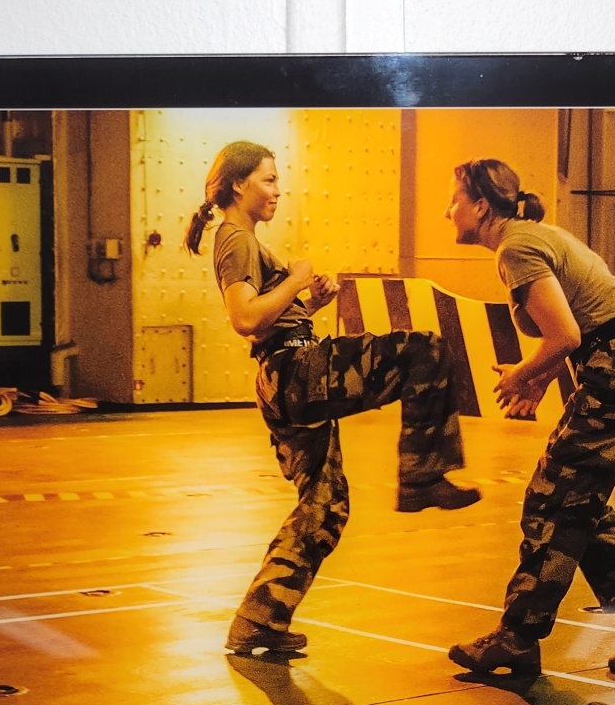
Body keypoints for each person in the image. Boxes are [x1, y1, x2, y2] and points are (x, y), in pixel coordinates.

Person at [184, 142, 479, 659]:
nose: (278, 190)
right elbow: (245, 318)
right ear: (238, 185)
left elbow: (268, 322)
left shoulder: (242, 240)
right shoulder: (236, 240)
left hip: (286, 375)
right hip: (296, 373)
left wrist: (309, 302)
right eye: (268, 180)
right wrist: (297, 279)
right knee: (426, 350)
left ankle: (258, 619)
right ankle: (421, 478)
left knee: (325, 507)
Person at [443, 159, 615, 677]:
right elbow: (578, 325)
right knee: (575, 500)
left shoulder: (516, 248)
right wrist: (538, 380)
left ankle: (517, 635)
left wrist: (521, 376)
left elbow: (566, 336)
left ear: (482, 207)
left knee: (552, 499)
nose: (448, 212)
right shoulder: (531, 238)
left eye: (455, 201)